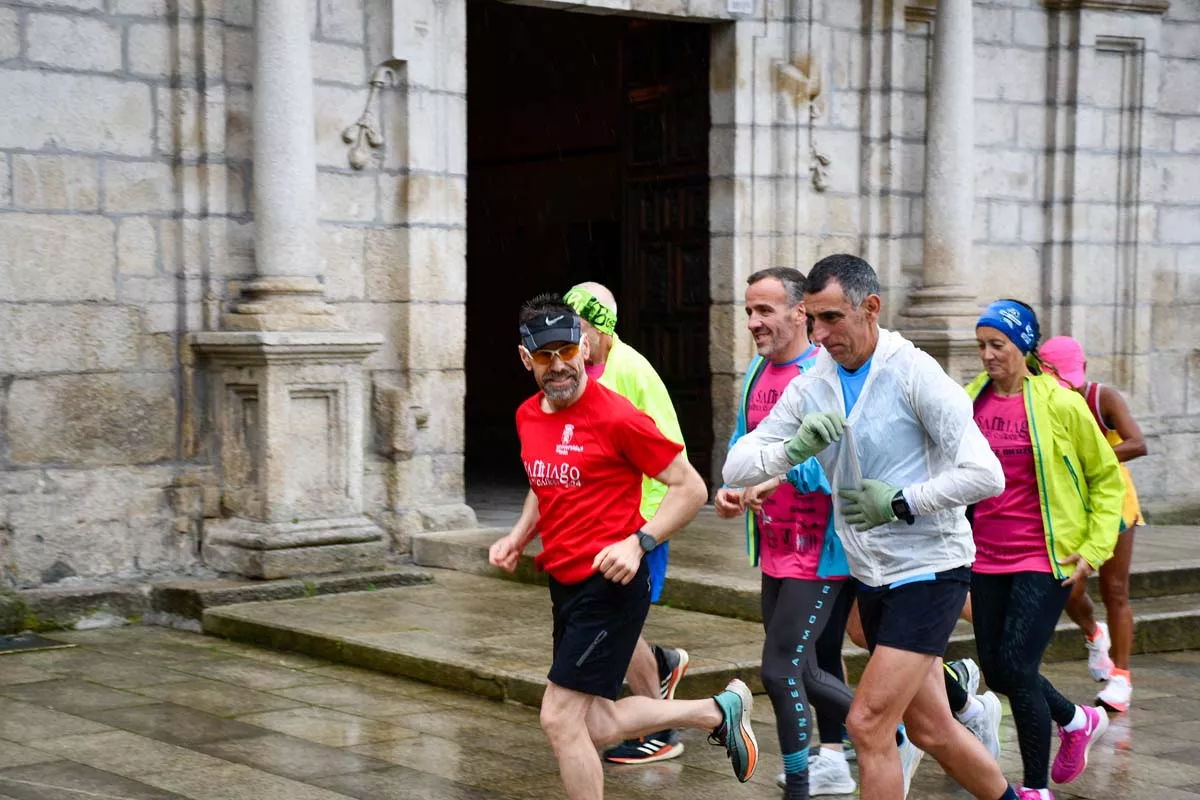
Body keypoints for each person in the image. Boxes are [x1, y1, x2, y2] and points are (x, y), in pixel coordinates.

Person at [723, 254, 1023, 800]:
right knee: (932, 729)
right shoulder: (814, 382)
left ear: (871, 308)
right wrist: (789, 450)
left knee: (867, 725)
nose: (820, 333)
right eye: (813, 319)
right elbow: (735, 467)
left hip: (932, 570)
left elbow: (986, 474)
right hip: (872, 575)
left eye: (832, 318)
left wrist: (902, 502)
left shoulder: (915, 372)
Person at [489, 294, 758, 798]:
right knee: (598, 725)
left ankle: (712, 712)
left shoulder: (616, 416)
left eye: (566, 350)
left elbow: (691, 488)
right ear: (527, 360)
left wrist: (639, 543)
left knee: (559, 719)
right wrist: (518, 536)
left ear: (584, 346)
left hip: (610, 584)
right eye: (545, 356)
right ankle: (715, 711)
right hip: (565, 583)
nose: (559, 365)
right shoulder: (529, 415)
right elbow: (542, 482)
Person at [965, 303, 1126, 799]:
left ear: (1025, 347)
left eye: (999, 346)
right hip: (983, 553)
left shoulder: (1060, 403)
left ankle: (1035, 789)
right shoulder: (972, 398)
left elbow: (1105, 478)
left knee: (1016, 666)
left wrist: (1093, 550)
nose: (988, 356)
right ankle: (1076, 720)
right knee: (996, 670)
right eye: (982, 346)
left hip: (1044, 556)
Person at [713, 267, 857, 798]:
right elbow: (741, 447)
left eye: (764, 310)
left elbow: (841, 462)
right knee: (802, 670)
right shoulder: (755, 373)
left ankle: (803, 781)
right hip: (775, 548)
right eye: (749, 310)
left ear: (800, 313)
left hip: (823, 550)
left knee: (779, 670)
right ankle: (899, 732)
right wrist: (733, 487)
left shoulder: (825, 373)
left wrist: (782, 474)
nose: (753, 322)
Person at [545, 281, 689, 764]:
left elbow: (671, 457)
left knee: (621, 622)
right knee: (616, 622)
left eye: (580, 334)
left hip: (639, 525)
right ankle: (661, 670)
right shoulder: (588, 370)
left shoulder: (629, 372)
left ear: (601, 330)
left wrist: (642, 532)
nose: (574, 348)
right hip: (600, 528)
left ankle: (662, 731)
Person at [1040, 335, 1148, 713]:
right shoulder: (1042, 400)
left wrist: (1093, 458)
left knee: (1116, 589)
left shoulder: (1104, 398)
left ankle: (1121, 676)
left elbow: (1138, 443)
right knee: (1068, 586)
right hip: (1072, 509)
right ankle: (1093, 633)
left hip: (1116, 503)